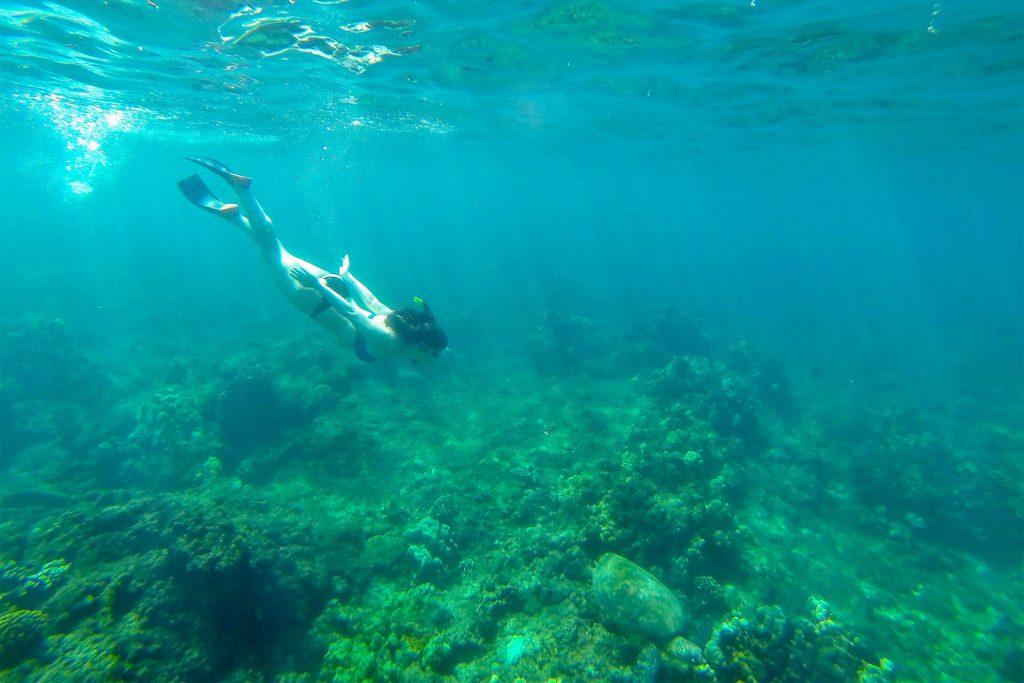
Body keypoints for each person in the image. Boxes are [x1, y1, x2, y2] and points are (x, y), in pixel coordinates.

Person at [177, 157, 447, 364]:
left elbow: (372, 303)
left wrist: (348, 277)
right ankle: (242, 190)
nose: (431, 362)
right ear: (423, 347)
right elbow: (351, 313)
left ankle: (234, 217)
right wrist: (316, 286)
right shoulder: (389, 343)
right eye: (433, 356)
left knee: (274, 246)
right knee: (272, 248)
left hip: (332, 287)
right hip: (318, 300)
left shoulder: (400, 326)